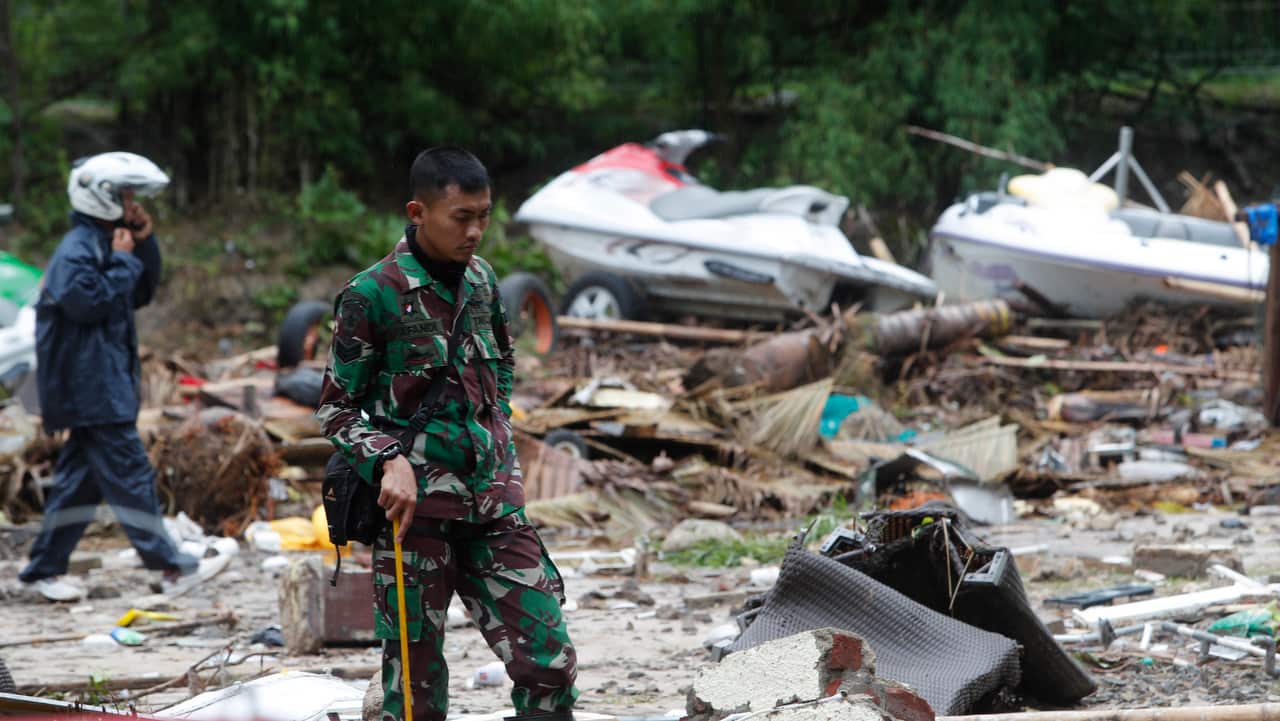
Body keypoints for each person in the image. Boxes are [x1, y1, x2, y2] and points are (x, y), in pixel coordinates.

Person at [317, 147, 578, 721]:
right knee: (415, 686)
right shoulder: (372, 294)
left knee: (549, 660)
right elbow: (336, 410)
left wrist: (496, 434)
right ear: (418, 211)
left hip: (493, 506)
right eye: (462, 217)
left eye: (484, 215)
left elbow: (502, 364)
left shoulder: (483, 281)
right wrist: (389, 460)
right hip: (416, 518)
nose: (476, 231)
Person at [19, 152, 198, 602]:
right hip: (90, 387)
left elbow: (140, 290)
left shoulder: (106, 242)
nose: (131, 203)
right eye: (124, 195)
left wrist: (143, 242)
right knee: (131, 475)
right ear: (100, 196)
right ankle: (170, 566)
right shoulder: (77, 250)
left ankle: (43, 570)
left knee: (79, 482)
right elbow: (89, 303)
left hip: (102, 382)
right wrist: (121, 259)